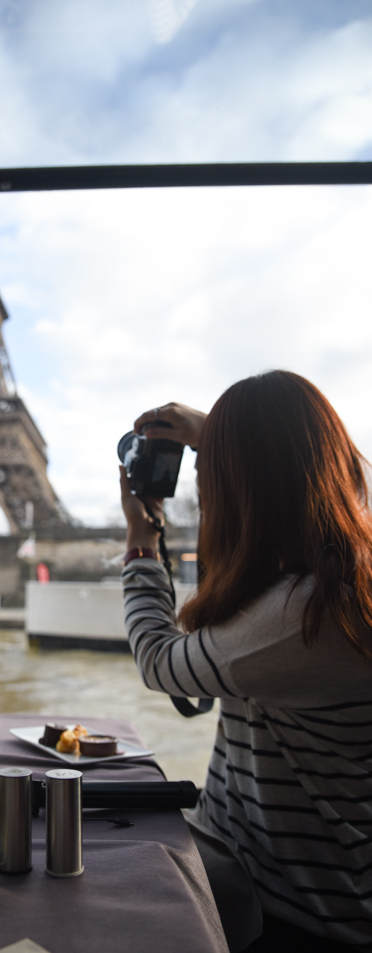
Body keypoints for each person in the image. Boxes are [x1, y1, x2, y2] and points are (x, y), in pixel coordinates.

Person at [120, 371, 372, 952]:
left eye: (210, 484)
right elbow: (340, 475)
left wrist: (140, 543)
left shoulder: (302, 617)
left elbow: (160, 660)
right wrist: (227, 436)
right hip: (278, 879)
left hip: (287, 911)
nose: (205, 498)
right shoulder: (339, 575)